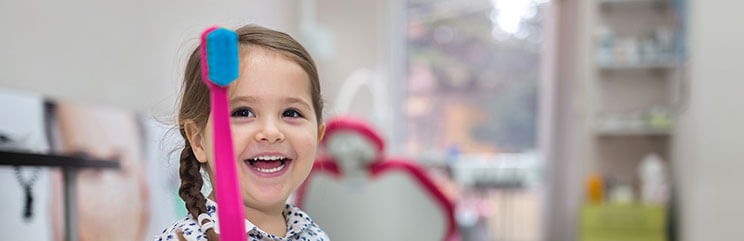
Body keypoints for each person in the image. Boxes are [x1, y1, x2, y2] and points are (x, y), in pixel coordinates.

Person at [154, 24, 329, 241]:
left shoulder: (314, 235)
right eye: (243, 112)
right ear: (198, 141)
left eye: (291, 113)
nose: (271, 132)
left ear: (319, 136)